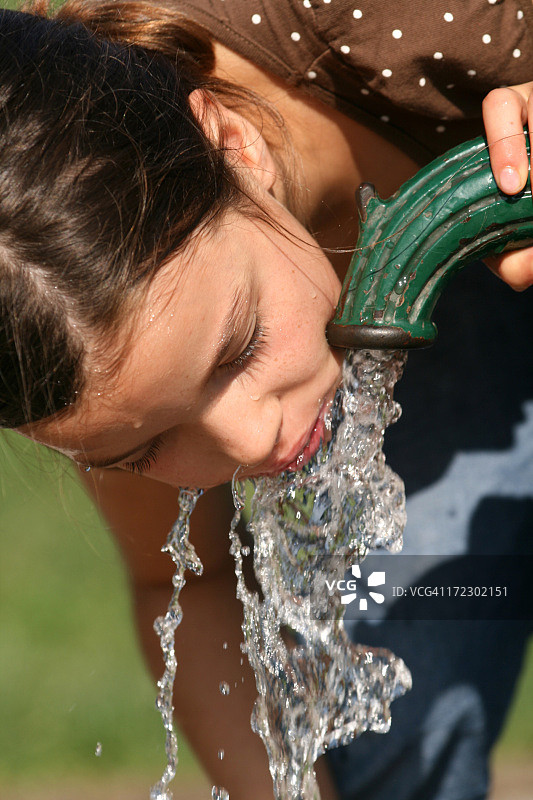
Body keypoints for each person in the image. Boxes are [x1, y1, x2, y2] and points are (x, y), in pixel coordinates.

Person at [1, 0, 532, 797]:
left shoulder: (419, 19)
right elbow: (189, 582)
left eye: (237, 348)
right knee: (390, 701)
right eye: (146, 449)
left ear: (234, 147)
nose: (250, 444)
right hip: (371, 319)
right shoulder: (75, 321)